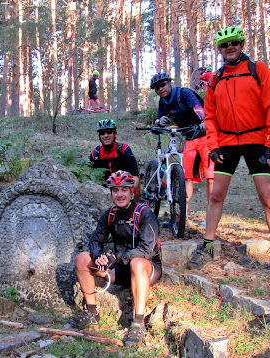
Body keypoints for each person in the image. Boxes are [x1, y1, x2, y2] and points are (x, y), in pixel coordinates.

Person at [186, 25, 270, 278]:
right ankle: (207, 246)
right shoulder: (216, 79)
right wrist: (213, 145)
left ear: (242, 45)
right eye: (224, 45)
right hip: (227, 143)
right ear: (219, 50)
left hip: (257, 140)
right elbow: (209, 116)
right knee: (215, 196)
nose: (229, 47)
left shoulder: (258, 70)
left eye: (234, 42)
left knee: (267, 197)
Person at [69, 170, 162, 347]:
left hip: (146, 268)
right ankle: (91, 312)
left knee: (137, 262)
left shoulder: (145, 214)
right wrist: (99, 257)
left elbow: (146, 250)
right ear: (111, 193)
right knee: (82, 258)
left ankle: (138, 322)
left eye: (124, 190)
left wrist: (115, 257)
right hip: (120, 269)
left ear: (131, 192)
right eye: (115, 191)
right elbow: (96, 240)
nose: (120, 195)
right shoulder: (110, 214)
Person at [150, 72, 214, 228]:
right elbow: (158, 121)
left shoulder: (184, 93)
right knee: (186, 177)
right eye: (157, 88)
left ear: (170, 83)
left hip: (207, 136)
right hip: (190, 139)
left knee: (211, 177)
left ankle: (212, 217)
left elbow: (198, 107)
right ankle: (181, 216)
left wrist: (204, 121)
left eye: (163, 85)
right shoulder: (164, 102)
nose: (161, 89)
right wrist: (160, 121)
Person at [89, 119, 141, 201]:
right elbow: (91, 177)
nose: (106, 135)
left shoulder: (124, 149)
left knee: (136, 181)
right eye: (102, 133)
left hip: (123, 186)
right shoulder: (95, 153)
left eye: (109, 132)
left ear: (115, 134)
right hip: (103, 188)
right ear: (99, 136)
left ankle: (134, 209)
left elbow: (134, 175)